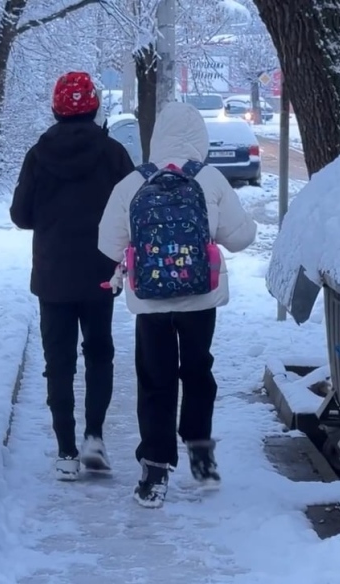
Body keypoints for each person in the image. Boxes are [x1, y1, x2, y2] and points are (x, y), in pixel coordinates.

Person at [97, 101, 256, 508]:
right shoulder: (210, 179)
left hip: (150, 302)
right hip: (201, 298)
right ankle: (201, 454)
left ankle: (154, 470)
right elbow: (239, 238)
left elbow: (108, 243)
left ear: (156, 137)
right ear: (200, 138)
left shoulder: (133, 183)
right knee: (198, 370)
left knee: (155, 380)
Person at [10, 71, 135, 481]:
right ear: (97, 108)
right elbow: (133, 210)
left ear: (55, 109)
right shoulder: (115, 155)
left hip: (53, 276)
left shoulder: (37, 155)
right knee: (100, 354)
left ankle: (65, 450)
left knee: (58, 362)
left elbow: (20, 215)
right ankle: (94, 437)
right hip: (101, 273)